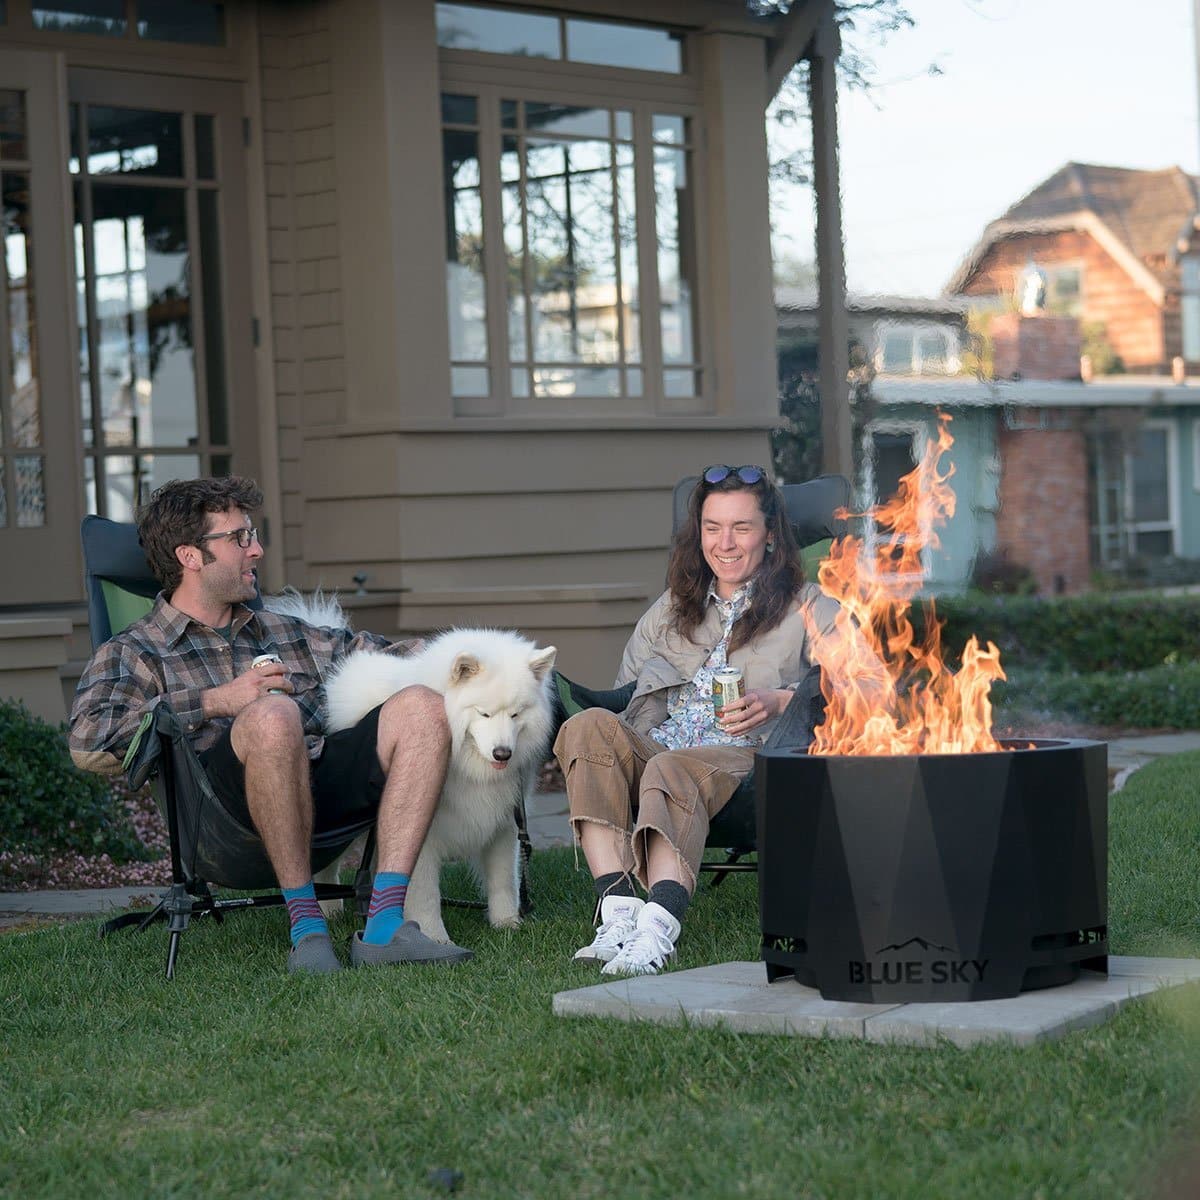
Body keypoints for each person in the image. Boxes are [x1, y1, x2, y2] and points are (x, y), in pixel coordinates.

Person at [70, 476, 470, 975]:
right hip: (222, 824)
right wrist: (217, 701)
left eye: (253, 535)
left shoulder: (284, 632)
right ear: (190, 556)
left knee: (422, 706)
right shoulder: (135, 652)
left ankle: (385, 926)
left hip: (324, 805)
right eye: (239, 538)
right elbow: (88, 743)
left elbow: (386, 655)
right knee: (273, 715)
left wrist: (484, 665)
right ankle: (307, 929)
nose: (256, 550)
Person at [553, 464, 844, 977]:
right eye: (713, 528)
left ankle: (657, 929)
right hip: (659, 750)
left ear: (770, 535)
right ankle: (619, 913)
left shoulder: (810, 607)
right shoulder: (671, 608)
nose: (724, 543)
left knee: (672, 767)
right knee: (587, 726)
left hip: (749, 764)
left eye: (741, 527)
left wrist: (783, 700)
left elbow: (866, 686)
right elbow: (628, 692)